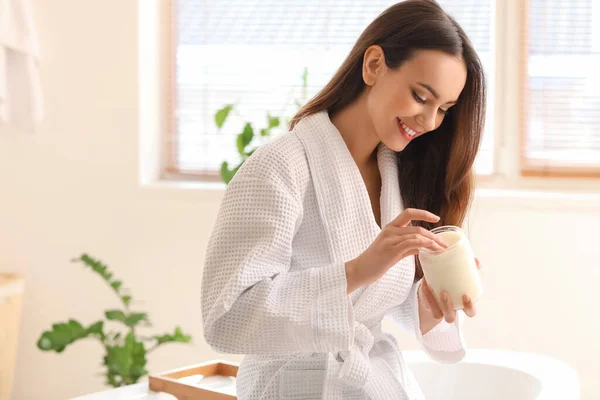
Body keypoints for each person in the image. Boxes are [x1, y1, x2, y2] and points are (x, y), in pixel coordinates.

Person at [201, 0, 486, 398]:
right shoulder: (279, 166)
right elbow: (227, 317)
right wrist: (357, 269)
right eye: (421, 97)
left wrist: (427, 299)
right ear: (373, 65)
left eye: (444, 109)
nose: (430, 121)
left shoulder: (400, 176)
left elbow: (372, 303)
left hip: (374, 383)